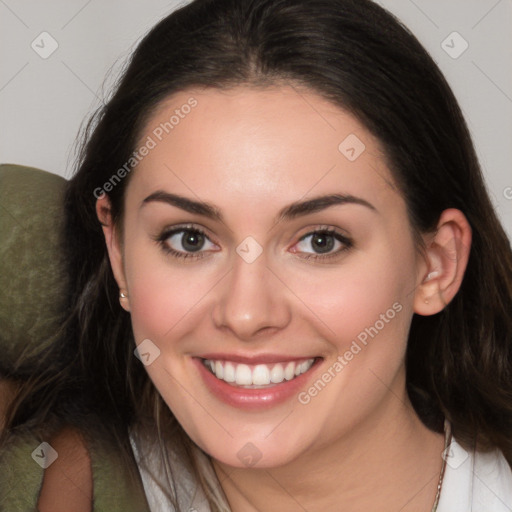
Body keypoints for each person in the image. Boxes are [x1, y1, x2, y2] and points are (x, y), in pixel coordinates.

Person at [2, 0, 512, 510]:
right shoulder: (56, 479)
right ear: (117, 252)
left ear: (436, 265)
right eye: (190, 239)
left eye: (321, 241)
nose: (246, 314)